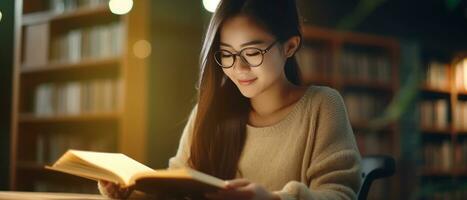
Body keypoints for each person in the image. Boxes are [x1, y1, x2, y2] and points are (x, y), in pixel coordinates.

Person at [98, 0, 362, 199]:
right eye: (227, 54)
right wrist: (131, 192)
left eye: (252, 52)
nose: (239, 67)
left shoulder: (322, 106)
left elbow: (339, 194)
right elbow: (177, 182)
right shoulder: (212, 110)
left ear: (290, 46)